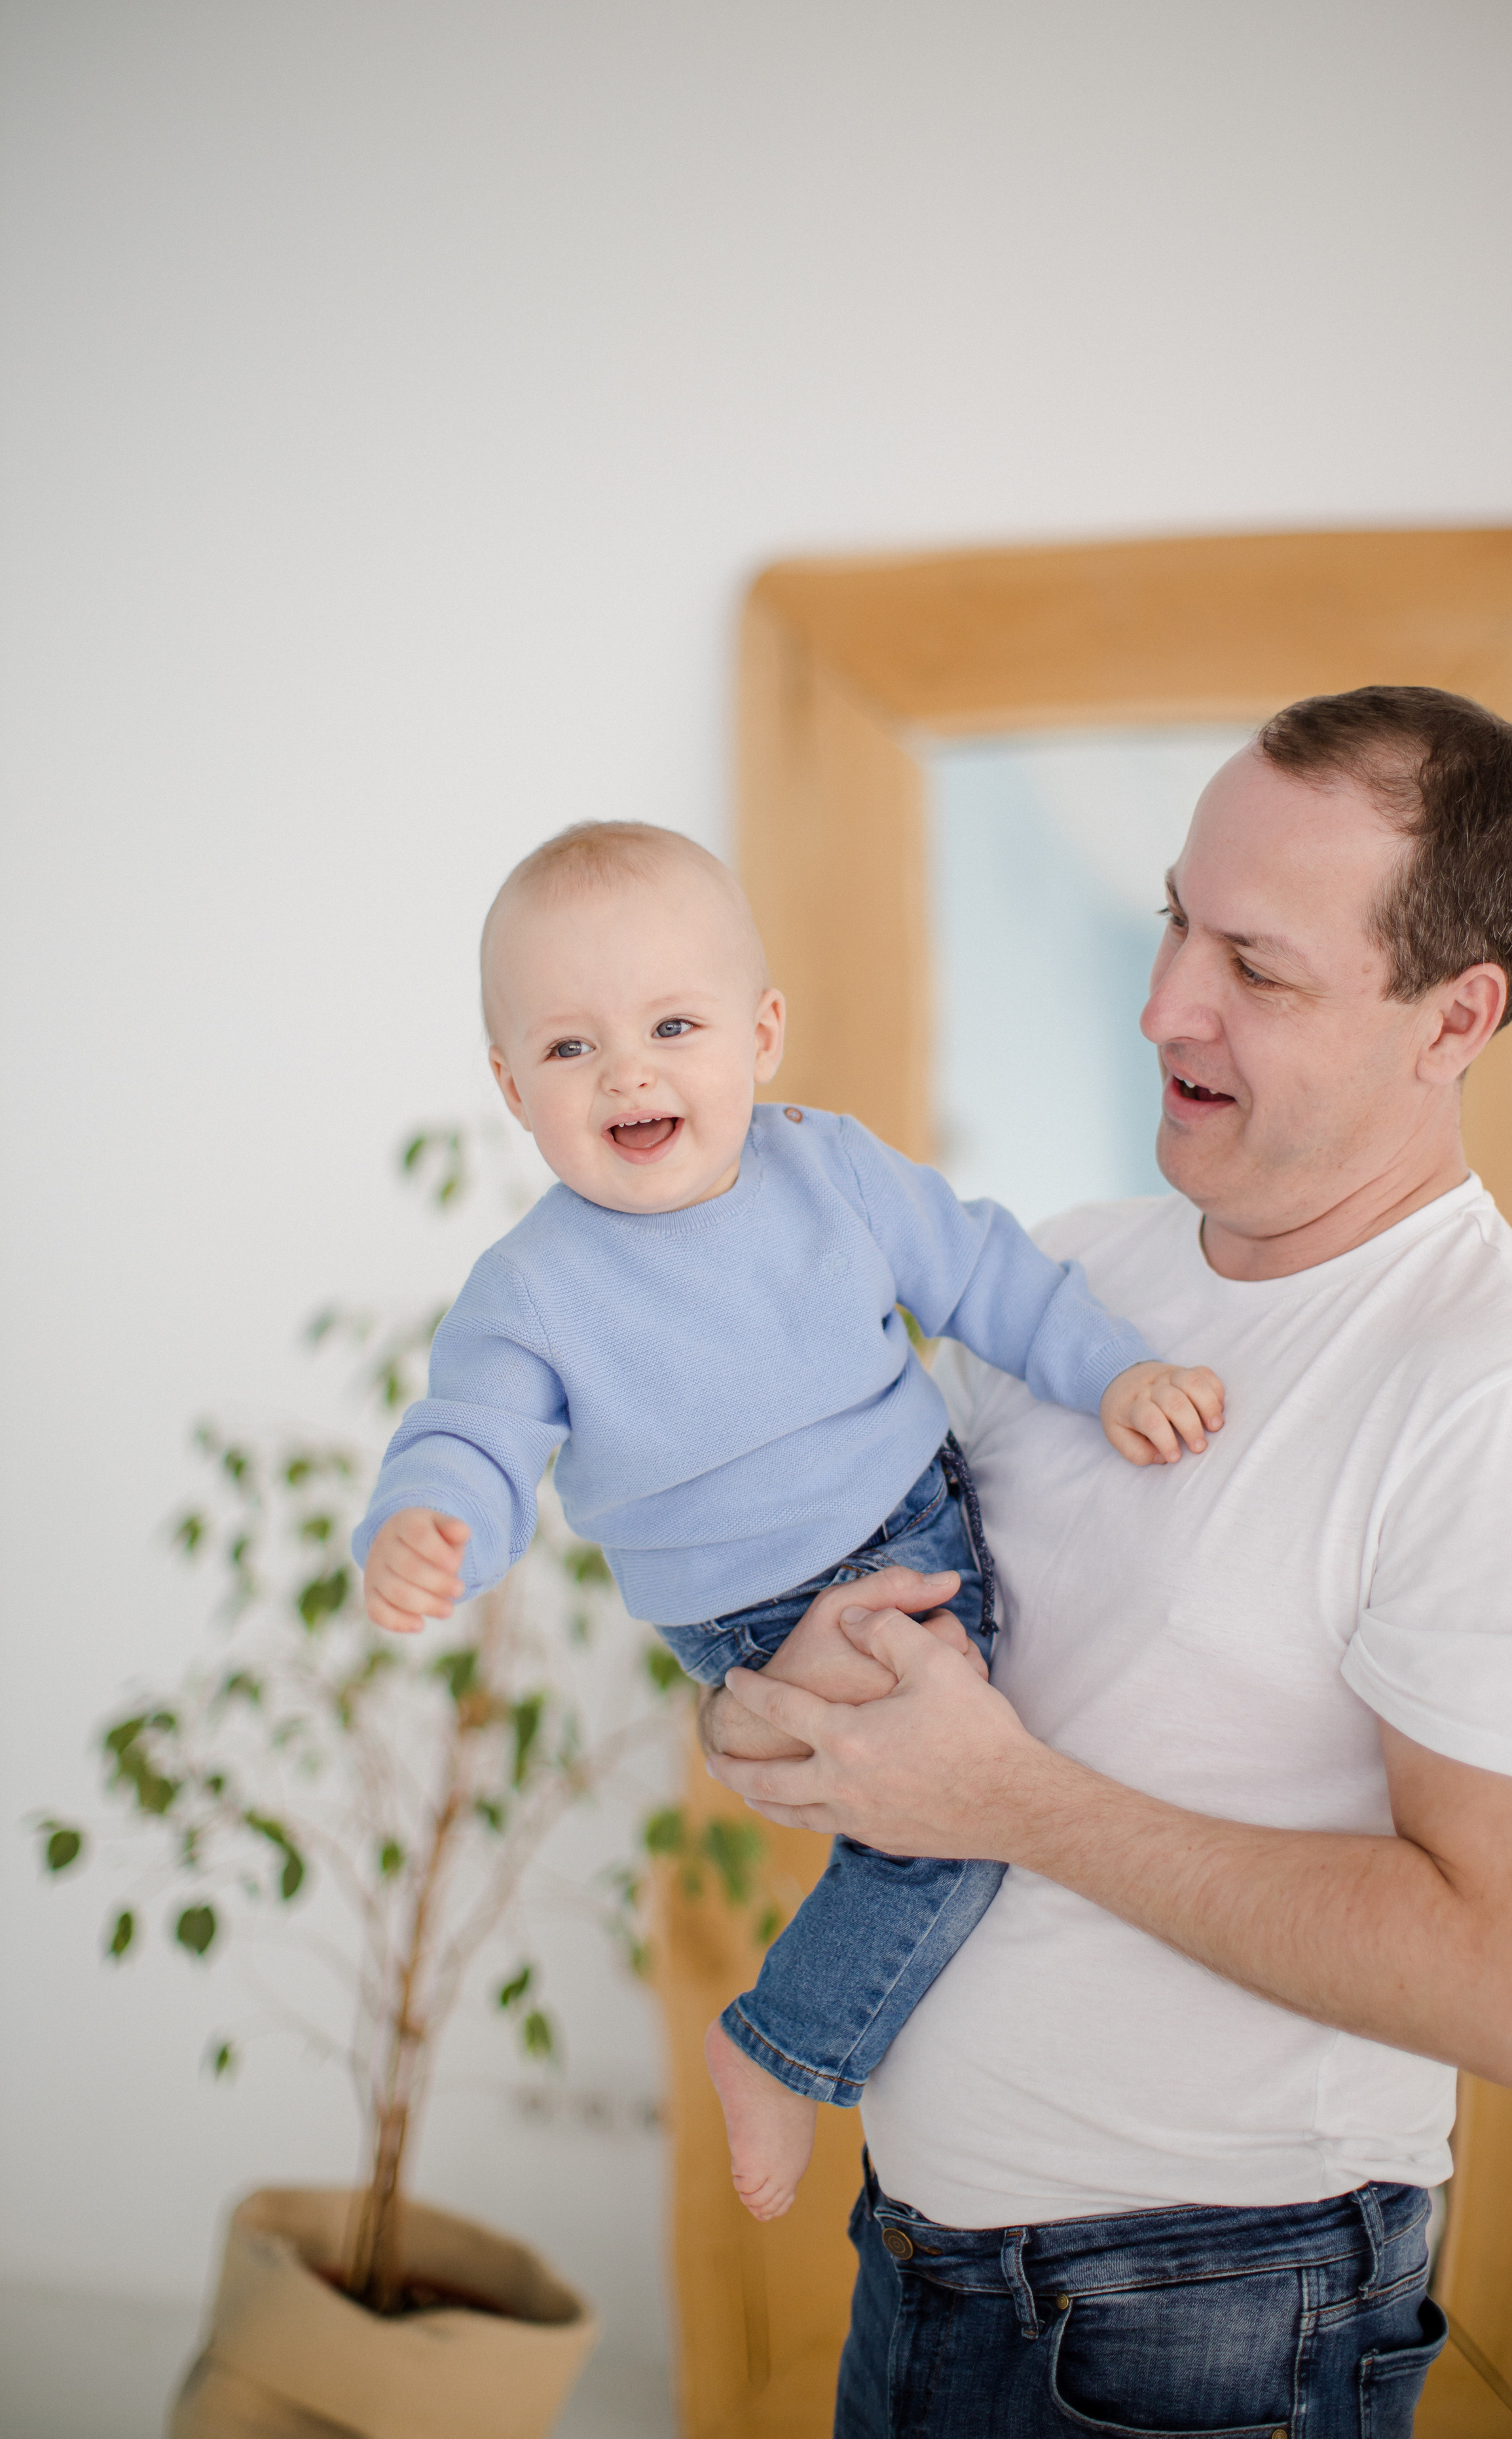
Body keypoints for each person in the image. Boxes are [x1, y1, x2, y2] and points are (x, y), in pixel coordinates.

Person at [702, 687, 1512, 2439]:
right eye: (1173, 922)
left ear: (1457, 1016)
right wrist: (770, 1711)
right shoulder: (1072, 1269)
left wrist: (1013, 1800)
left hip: (1205, 2335)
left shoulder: (1498, 1392)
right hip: (920, 2270)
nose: (1163, 1008)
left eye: (1257, 971)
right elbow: (885, 1657)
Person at [348, 820, 1223, 2220]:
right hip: (751, 1612)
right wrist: (430, 1521)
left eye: (671, 1024)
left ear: (759, 1034)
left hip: (914, 1528)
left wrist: (1114, 1370)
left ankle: (802, 2041)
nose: (626, 1070)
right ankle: (784, 2046)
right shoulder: (530, 1289)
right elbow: (471, 1433)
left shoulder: (832, 1170)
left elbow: (988, 1279)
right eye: (569, 1050)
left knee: (949, 1807)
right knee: (947, 1823)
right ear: (511, 1090)